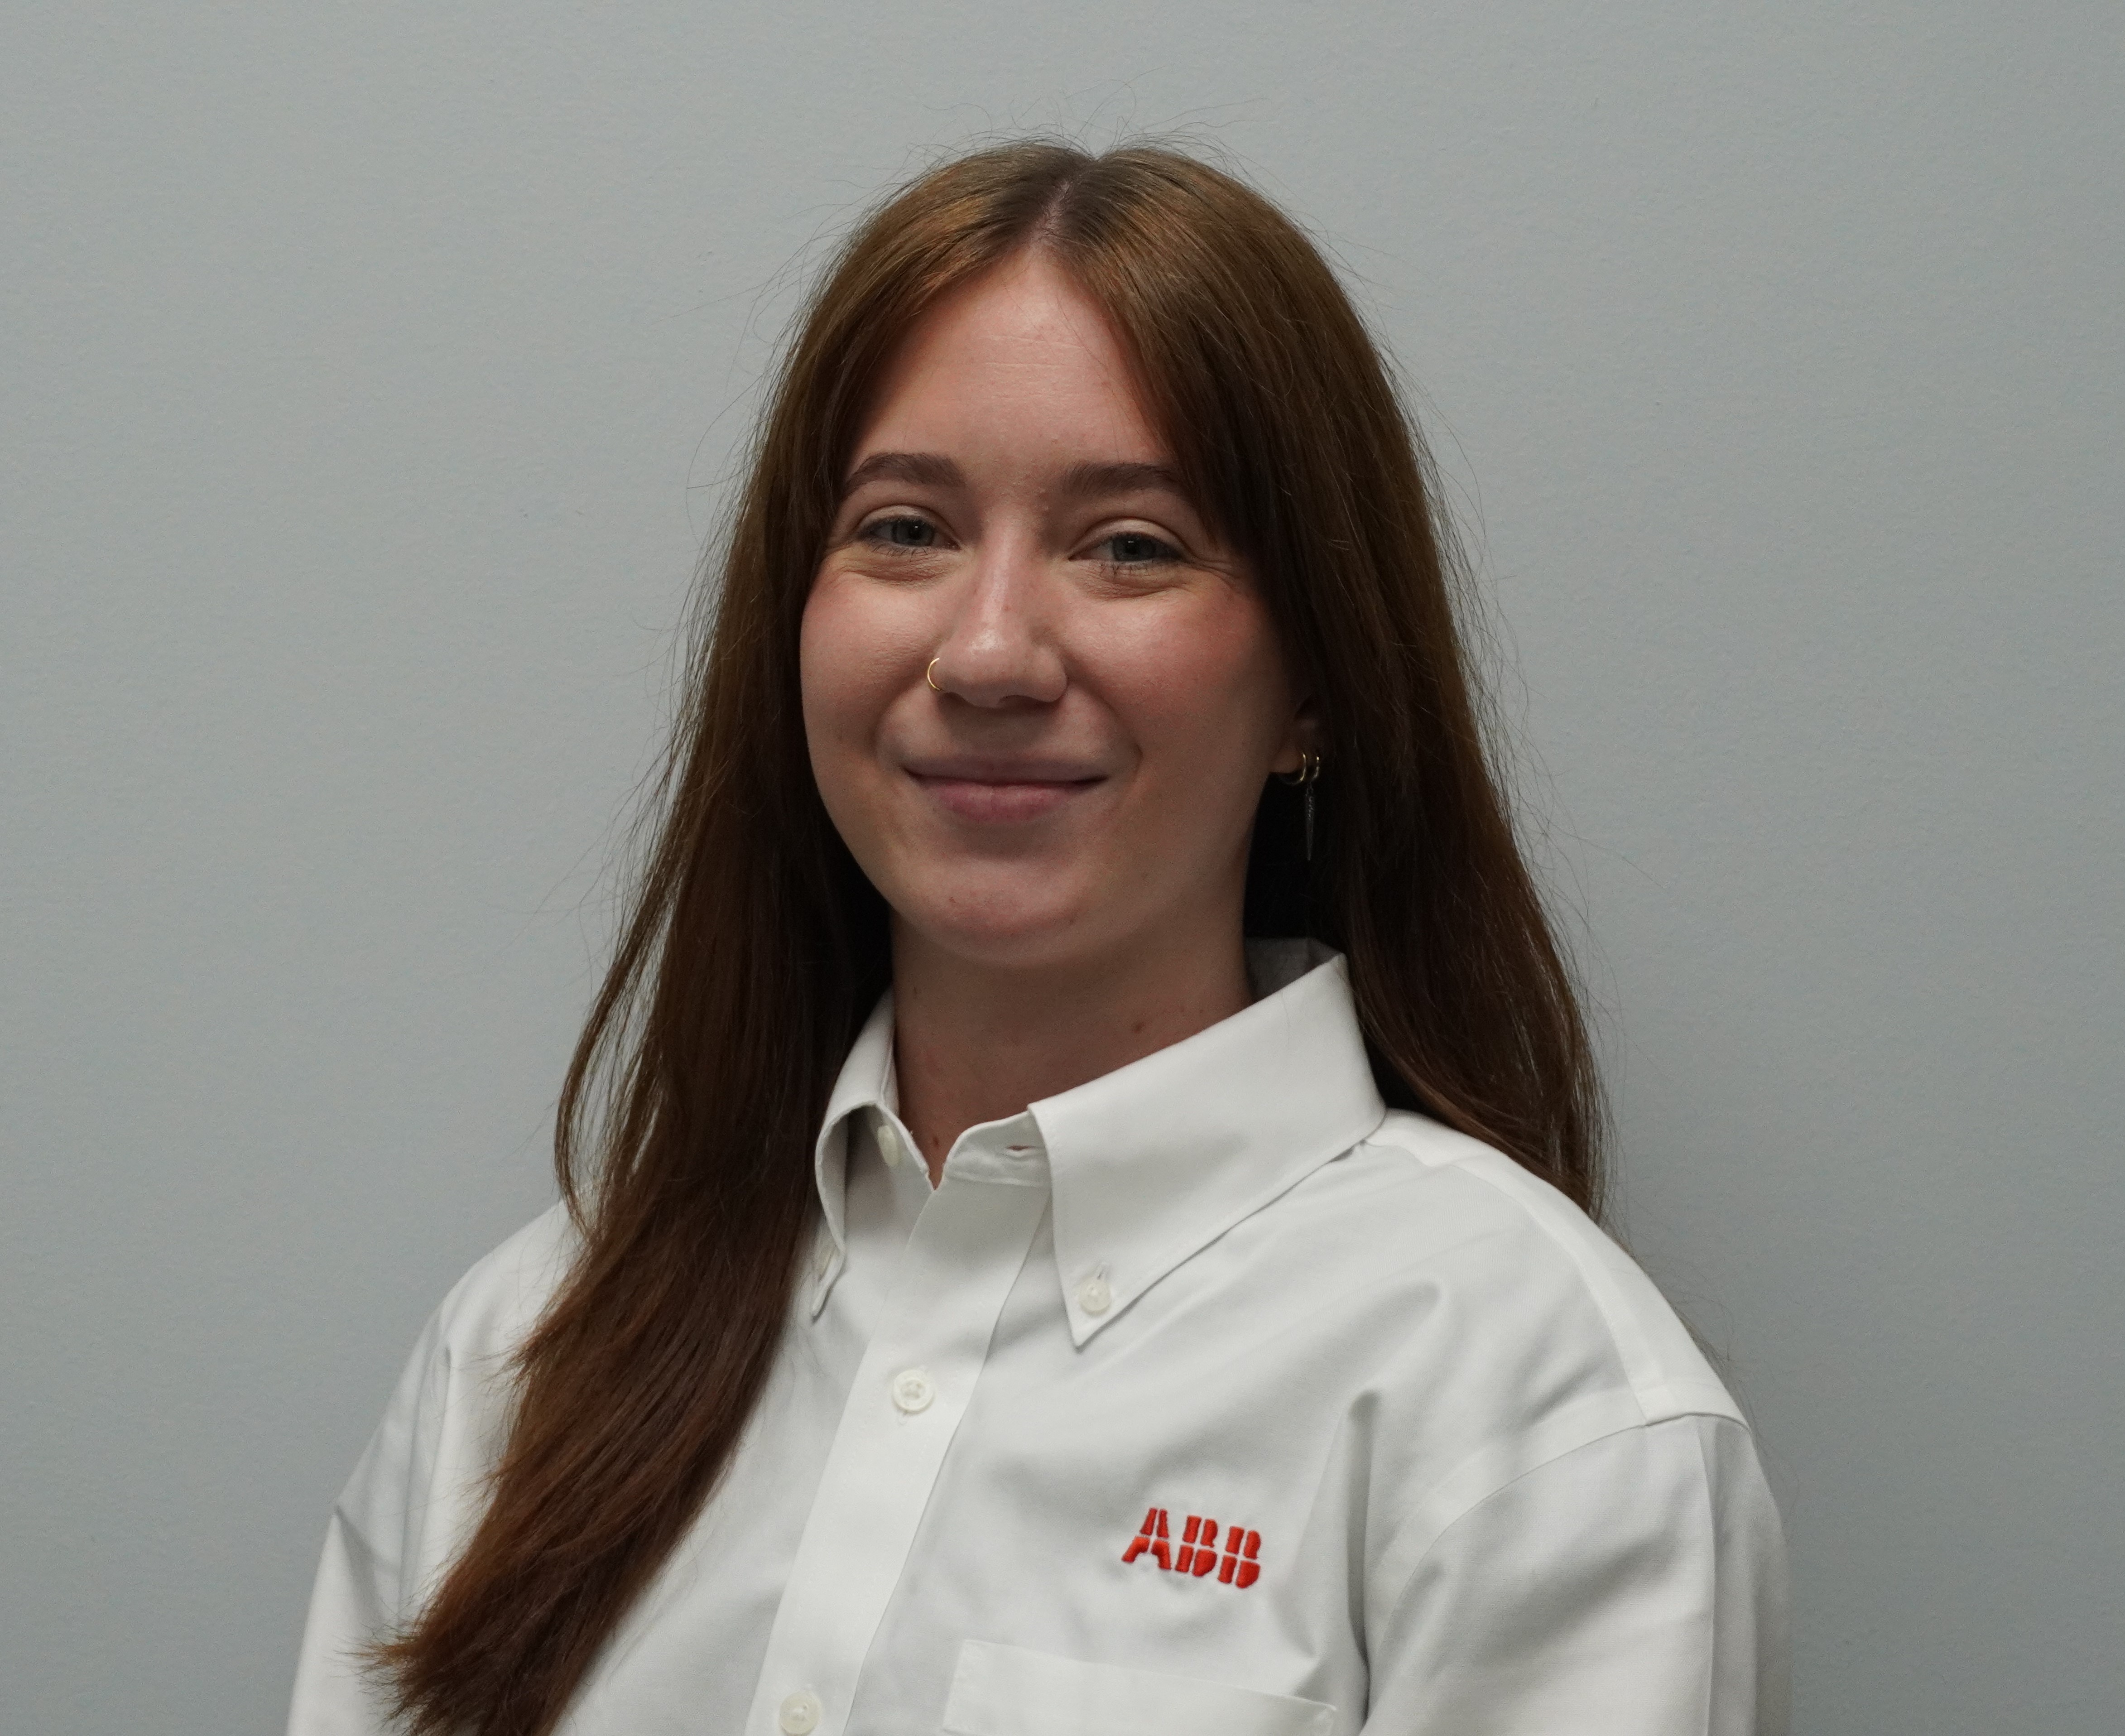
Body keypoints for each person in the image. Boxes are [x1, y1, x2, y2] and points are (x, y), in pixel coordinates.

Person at [287, 140, 1788, 1736]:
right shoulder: (523, 1355)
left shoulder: (1535, 1405)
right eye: (903, 529)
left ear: (1316, 682)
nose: (989, 651)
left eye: (1131, 545)